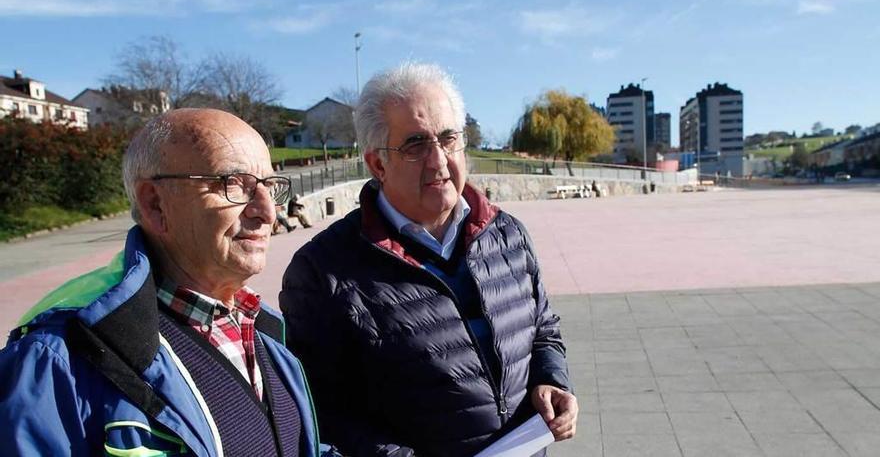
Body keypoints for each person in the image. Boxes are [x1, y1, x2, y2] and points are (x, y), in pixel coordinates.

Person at [0, 108, 339, 457]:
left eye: (269, 186)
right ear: (155, 203)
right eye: (234, 184)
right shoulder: (56, 360)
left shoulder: (262, 331)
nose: (268, 212)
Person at [280, 63, 577, 457]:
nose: (439, 161)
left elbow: (543, 330)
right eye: (416, 145)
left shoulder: (508, 234)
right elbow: (323, 413)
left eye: (449, 138)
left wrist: (552, 379)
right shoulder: (322, 271)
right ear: (377, 164)